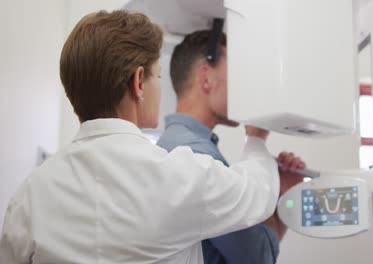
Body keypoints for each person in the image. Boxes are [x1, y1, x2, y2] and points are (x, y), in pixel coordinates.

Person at [0, 10, 294, 264]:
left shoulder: (29, 194)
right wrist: (255, 140)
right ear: (139, 81)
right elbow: (257, 192)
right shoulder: (176, 175)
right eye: (158, 77)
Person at [157, 30, 305, 264]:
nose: (243, 86)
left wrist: (278, 193)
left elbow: (257, 246)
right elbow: (259, 256)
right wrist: (255, 141)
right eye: (236, 73)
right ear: (206, 78)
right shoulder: (196, 155)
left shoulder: (175, 145)